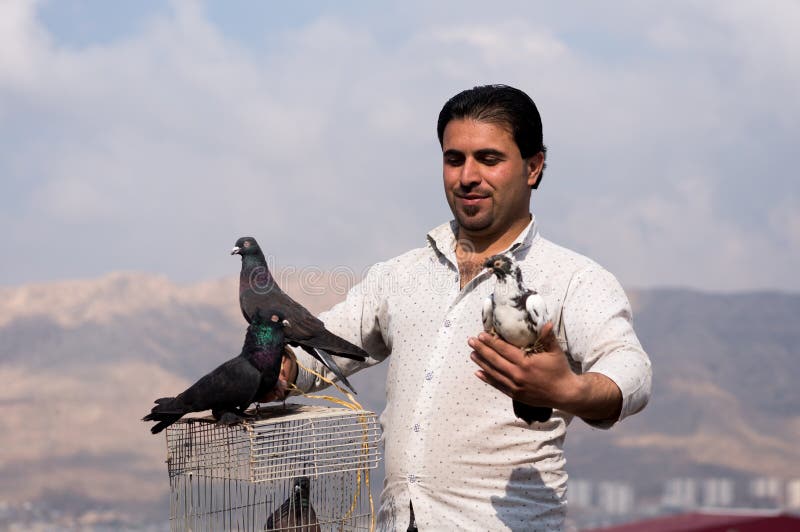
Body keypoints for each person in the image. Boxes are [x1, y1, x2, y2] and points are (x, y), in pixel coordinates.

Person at [267, 84, 652, 530]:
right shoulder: (400, 274)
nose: (467, 176)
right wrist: (280, 369)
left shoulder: (573, 279)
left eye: (489, 159)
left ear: (534, 167)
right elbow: (327, 344)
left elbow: (632, 371)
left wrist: (571, 391)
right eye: (454, 159)